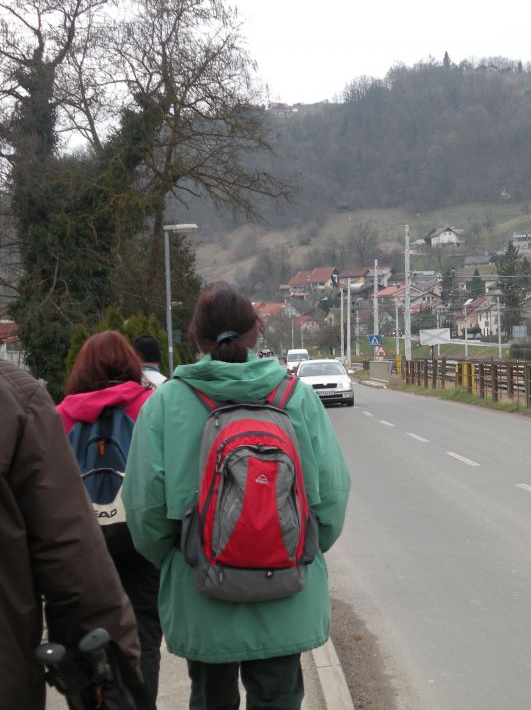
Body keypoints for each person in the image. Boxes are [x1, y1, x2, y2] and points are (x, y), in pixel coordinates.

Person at [123, 281, 350, 710]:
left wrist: (185, 557)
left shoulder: (166, 403)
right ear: (256, 331)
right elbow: (333, 499)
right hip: (286, 590)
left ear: (195, 336)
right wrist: (292, 548)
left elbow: (144, 510)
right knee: (280, 697)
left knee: (209, 699)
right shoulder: (295, 398)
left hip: (200, 591)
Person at [0, 359, 142, 709]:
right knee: (148, 625)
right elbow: (71, 559)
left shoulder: (54, 409)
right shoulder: (16, 397)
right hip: (131, 540)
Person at [56, 330, 162, 706]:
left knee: (87, 640)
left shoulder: (61, 416)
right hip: (140, 542)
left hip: (83, 549)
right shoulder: (150, 406)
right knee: (145, 637)